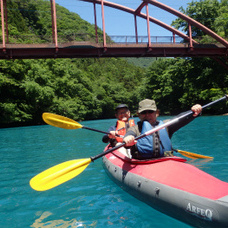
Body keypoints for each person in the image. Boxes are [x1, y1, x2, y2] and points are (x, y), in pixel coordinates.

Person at [123, 99, 202, 159]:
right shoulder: (135, 129)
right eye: (143, 113)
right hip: (143, 163)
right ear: (138, 114)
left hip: (165, 161)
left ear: (156, 113)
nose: (147, 115)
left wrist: (193, 112)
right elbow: (129, 134)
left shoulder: (166, 125)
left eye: (150, 112)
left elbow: (180, 119)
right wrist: (128, 139)